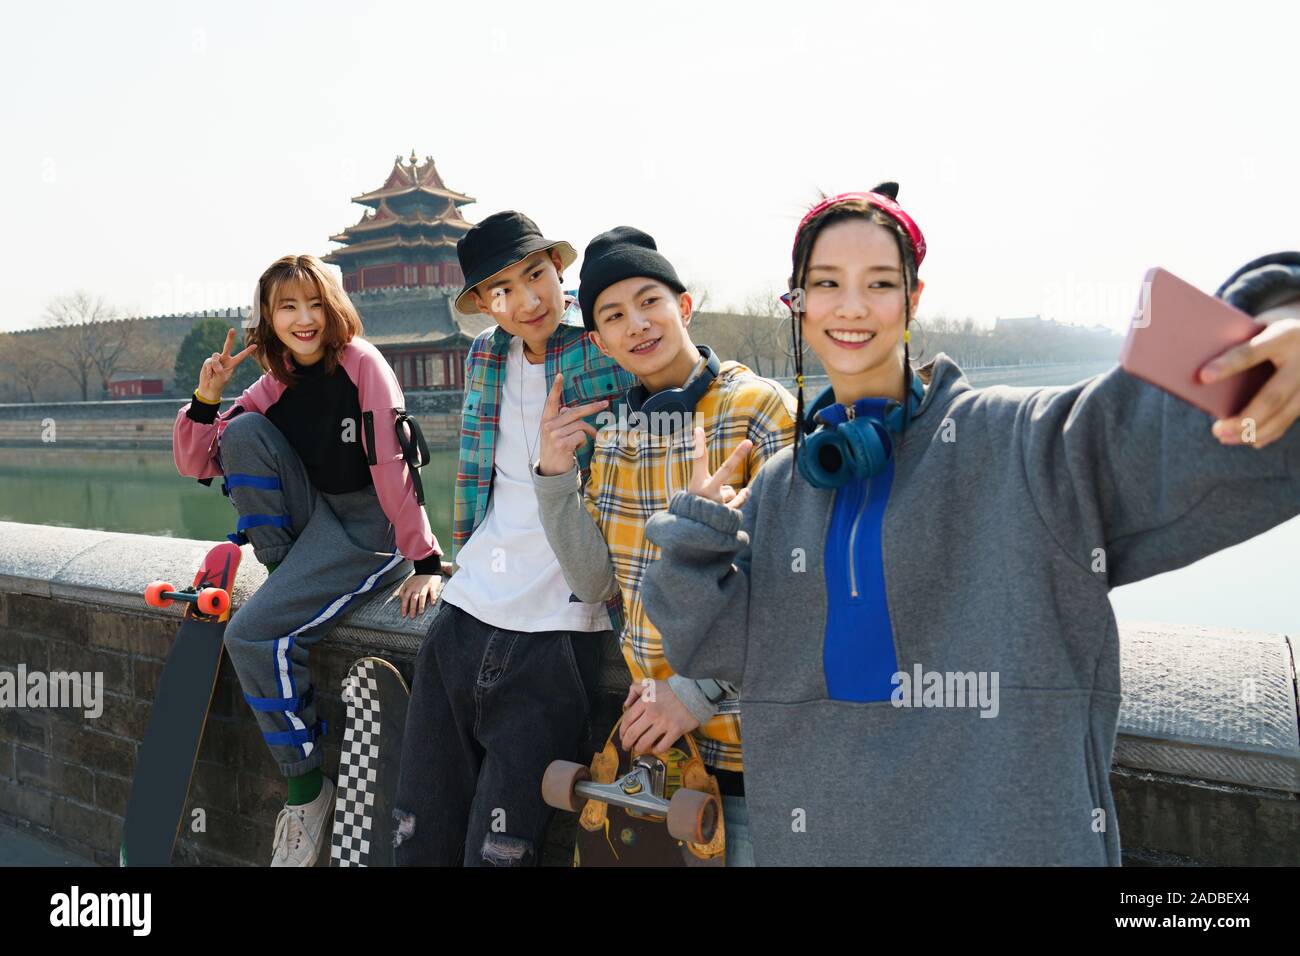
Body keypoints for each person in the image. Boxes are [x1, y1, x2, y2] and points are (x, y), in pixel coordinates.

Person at [639, 184, 1300, 865]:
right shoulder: (781, 488)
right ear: (796, 304)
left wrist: (1280, 314)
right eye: (827, 283)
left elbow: (1177, 428)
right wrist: (696, 538)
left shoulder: (1021, 444)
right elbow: (710, 650)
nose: (853, 306)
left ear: (914, 300)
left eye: (881, 283)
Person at [530, 226, 796, 865]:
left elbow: (801, 586)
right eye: (613, 315)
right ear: (598, 339)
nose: (637, 325)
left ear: (684, 305)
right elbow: (598, 586)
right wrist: (554, 479)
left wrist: (695, 692)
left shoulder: (759, 410)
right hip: (660, 756)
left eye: (649, 301)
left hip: (754, 749)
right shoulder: (618, 433)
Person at [172, 253, 444, 866]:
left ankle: (305, 786)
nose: (303, 318)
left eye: (314, 303)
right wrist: (205, 399)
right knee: (240, 434)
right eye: (286, 306)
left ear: (334, 307)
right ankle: (288, 583)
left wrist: (424, 559)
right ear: (268, 317)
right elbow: (201, 462)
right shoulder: (274, 384)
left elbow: (393, 464)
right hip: (316, 524)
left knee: (248, 635)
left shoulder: (363, 365)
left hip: (369, 535)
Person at [393, 211, 635, 866]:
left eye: (535, 275)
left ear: (560, 270)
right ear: (482, 306)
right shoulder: (483, 357)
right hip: (463, 620)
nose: (527, 300)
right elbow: (476, 476)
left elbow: (686, 377)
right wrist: (445, 562)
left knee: (502, 851)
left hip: (558, 635)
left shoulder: (607, 347)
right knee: (418, 829)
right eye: (502, 290)